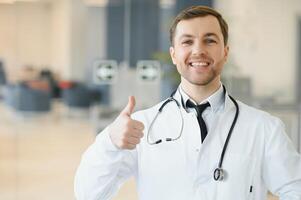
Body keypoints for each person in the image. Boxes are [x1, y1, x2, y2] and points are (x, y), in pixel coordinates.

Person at [74, 6, 301, 200]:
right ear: (173, 55)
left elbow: (295, 189)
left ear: (225, 52)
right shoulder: (143, 126)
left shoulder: (264, 128)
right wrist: (110, 142)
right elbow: (88, 193)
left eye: (210, 40)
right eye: (187, 41)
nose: (198, 50)